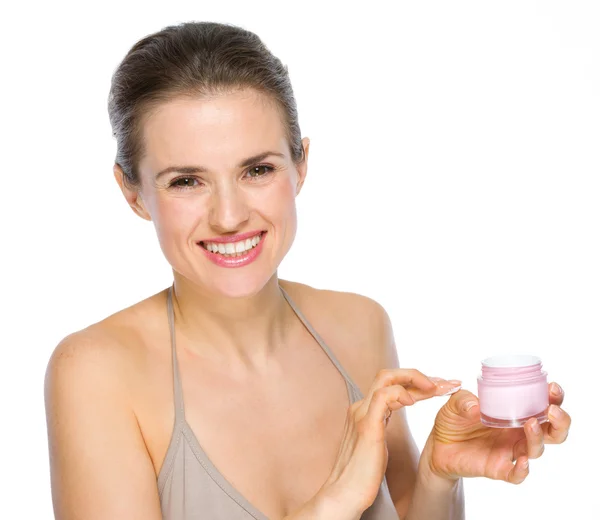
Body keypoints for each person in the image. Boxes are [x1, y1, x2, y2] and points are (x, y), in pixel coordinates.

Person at [43, 21, 571, 520]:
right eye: (186, 181)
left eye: (257, 169)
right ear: (132, 192)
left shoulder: (361, 326)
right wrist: (332, 503)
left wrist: (439, 474)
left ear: (301, 165)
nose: (229, 217)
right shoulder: (97, 373)